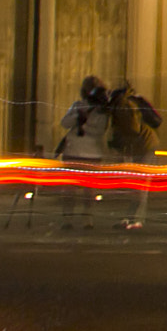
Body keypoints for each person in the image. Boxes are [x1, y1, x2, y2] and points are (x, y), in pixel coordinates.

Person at [54, 76, 112, 228]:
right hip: (73, 151)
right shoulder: (78, 105)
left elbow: (99, 131)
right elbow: (64, 123)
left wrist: (84, 125)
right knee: (69, 189)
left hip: (92, 154)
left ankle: (87, 219)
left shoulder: (102, 111)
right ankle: (67, 219)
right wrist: (78, 116)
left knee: (89, 191)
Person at [106, 78, 164, 230]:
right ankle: (131, 218)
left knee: (140, 184)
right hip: (143, 145)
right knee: (137, 184)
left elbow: (133, 129)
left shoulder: (123, 104)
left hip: (143, 145)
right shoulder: (128, 101)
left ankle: (135, 219)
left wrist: (118, 139)